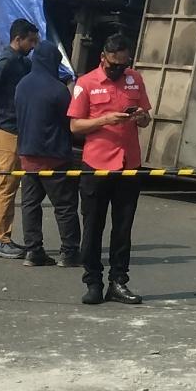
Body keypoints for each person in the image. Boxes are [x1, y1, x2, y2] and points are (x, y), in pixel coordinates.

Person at [67, 33, 151, 305]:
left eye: (123, 65)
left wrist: (140, 117)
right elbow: (75, 126)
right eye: (113, 65)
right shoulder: (86, 83)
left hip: (129, 163)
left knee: (123, 228)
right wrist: (103, 120)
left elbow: (147, 119)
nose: (118, 70)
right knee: (93, 227)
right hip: (97, 164)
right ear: (103, 58)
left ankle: (119, 281)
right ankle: (93, 281)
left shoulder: (134, 79)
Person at [13, 41, 81, 268]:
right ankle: (69, 252)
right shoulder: (57, 89)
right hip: (54, 156)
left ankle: (34, 250)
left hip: (27, 156)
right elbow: (69, 120)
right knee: (64, 206)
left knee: (30, 204)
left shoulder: (22, 85)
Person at [0, 19, 37, 258]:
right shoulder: (8, 60)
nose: (33, 45)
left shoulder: (21, 61)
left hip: (13, 129)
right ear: (18, 39)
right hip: (5, 130)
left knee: (11, 187)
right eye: (30, 40)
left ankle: (5, 236)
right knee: (5, 186)